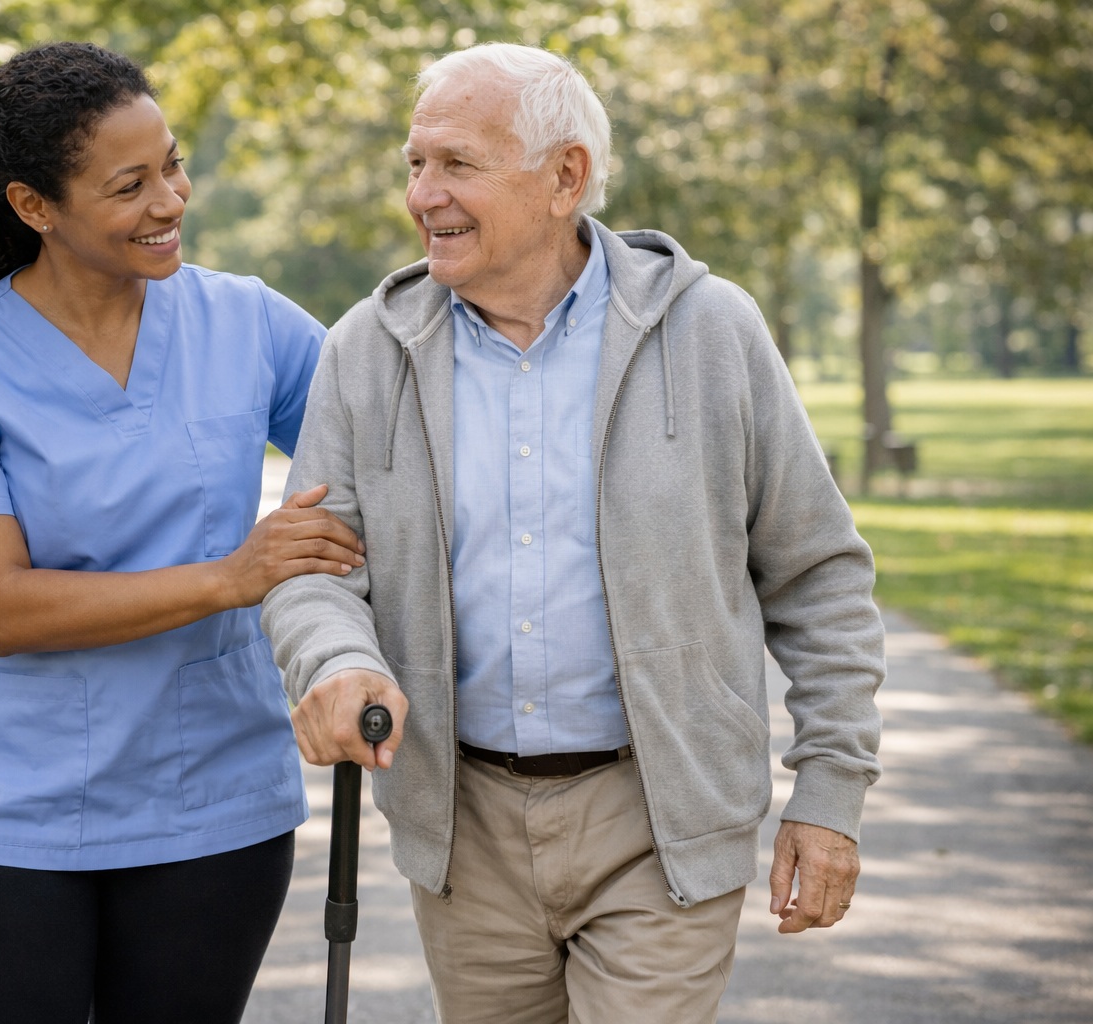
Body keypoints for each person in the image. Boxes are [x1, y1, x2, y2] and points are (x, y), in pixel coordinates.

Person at [262, 42, 885, 1022]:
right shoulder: (367, 350)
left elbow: (821, 577)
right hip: (465, 833)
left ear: (567, 178)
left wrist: (830, 791)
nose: (424, 194)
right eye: (414, 163)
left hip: (661, 817)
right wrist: (336, 658)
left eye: (457, 163)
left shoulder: (711, 331)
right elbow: (311, 566)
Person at [0, 42, 363, 1024]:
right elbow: (4, 606)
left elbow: (392, 451)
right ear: (34, 207)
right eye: (129, 185)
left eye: (174, 164)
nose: (171, 200)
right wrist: (231, 577)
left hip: (213, 810)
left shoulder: (248, 324)